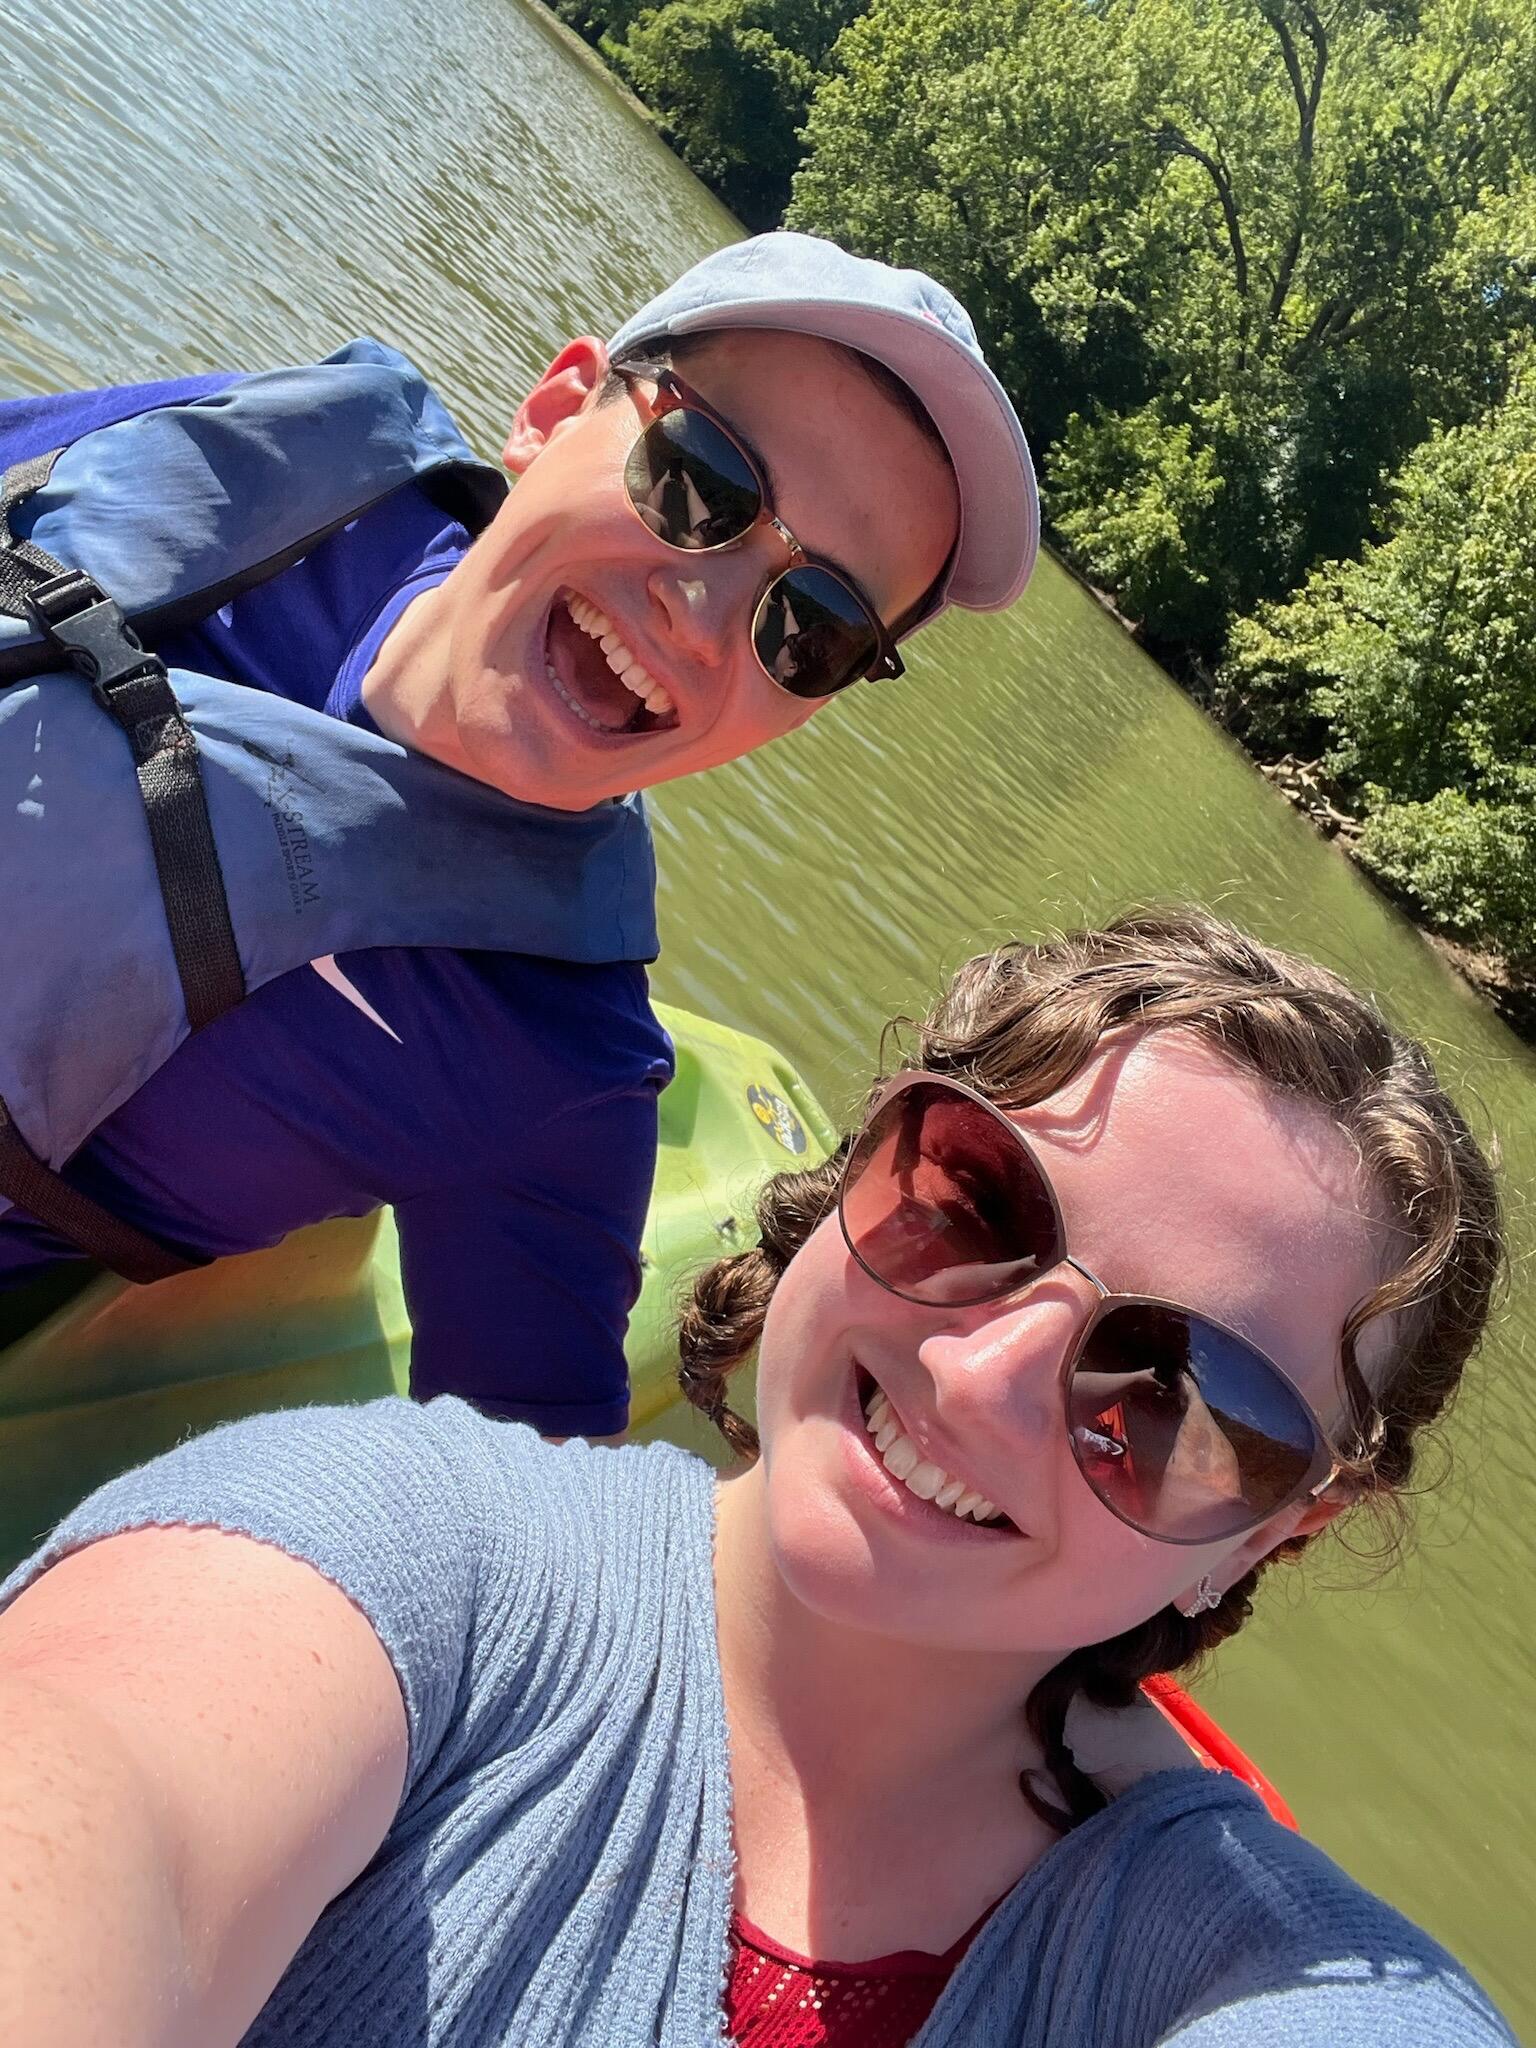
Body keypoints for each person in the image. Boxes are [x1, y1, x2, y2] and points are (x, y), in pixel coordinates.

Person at [0, 907, 1513, 2047]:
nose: (978, 1380)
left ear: (1282, 1530)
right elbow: (88, 1797)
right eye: (974, 1200)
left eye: (1175, 1390)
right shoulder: (405, 1556)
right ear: (871, 1154)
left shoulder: (1275, 1983)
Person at [0, 231, 1039, 1433]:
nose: (701, 613)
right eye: (700, 477)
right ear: (552, 412)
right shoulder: (285, 466)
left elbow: (524, 1501)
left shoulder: (551, 1074)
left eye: (813, 622)